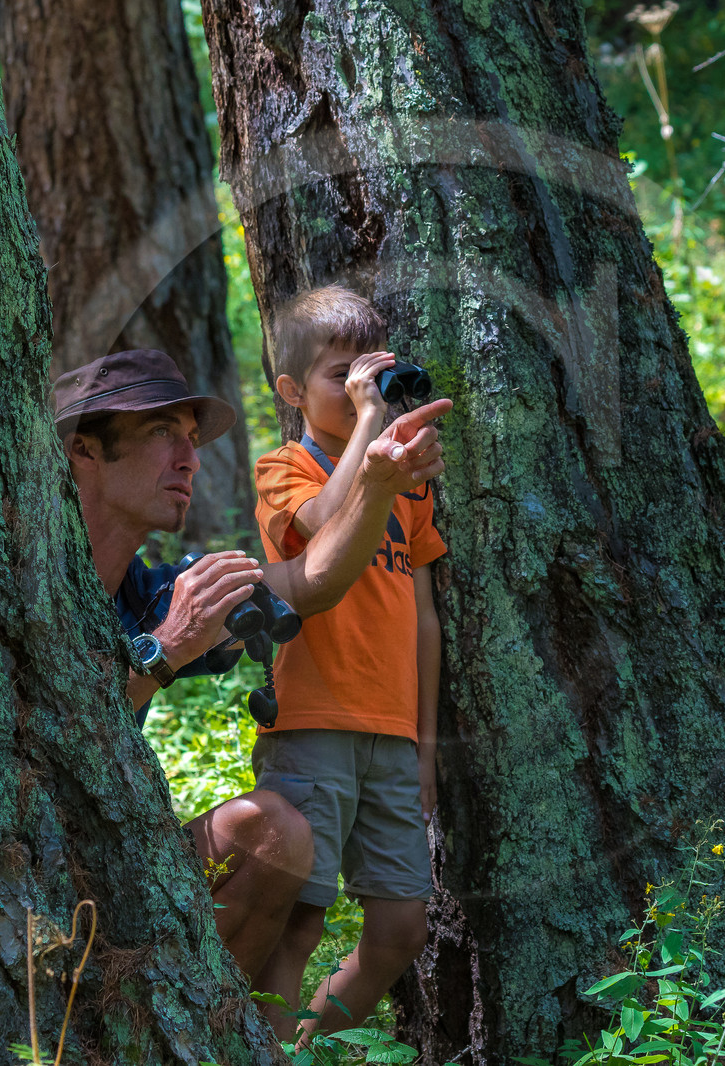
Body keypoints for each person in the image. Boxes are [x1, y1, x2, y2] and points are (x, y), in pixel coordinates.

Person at [52, 347, 451, 982]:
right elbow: (49, 737)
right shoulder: (21, 581)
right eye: (162, 433)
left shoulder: (156, 592)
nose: (190, 458)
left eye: (190, 437)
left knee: (273, 832)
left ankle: (209, 1036)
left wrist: (375, 484)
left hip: (113, 873)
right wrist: (168, 648)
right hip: (25, 888)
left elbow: (310, 582)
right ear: (84, 450)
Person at [246, 287, 444, 1039]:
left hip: (391, 730)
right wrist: (370, 423)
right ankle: (265, 1050)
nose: (367, 393)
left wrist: (424, 742)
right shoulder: (283, 465)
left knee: (400, 931)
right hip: (313, 721)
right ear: (292, 391)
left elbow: (423, 616)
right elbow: (324, 521)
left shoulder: (405, 487)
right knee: (297, 922)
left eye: (376, 378)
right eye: (343, 378)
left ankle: (302, 1044)